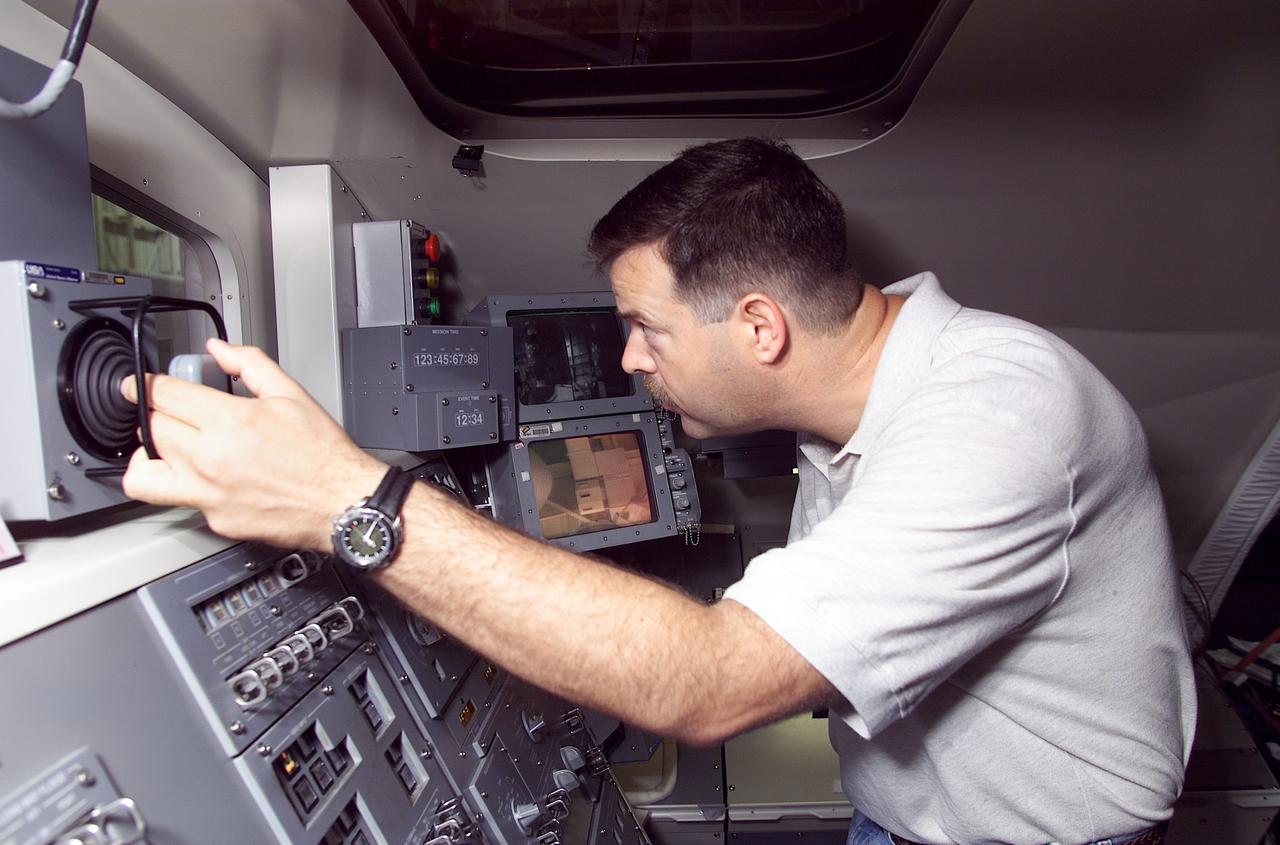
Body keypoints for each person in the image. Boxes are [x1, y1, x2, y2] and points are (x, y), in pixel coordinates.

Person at [121, 138, 1194, 845]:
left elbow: (709, 688)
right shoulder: (859, 400)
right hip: (914, 814)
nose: (630, 360)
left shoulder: (996, 416)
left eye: (646, 328)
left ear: (760, 327)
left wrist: (348, 499)